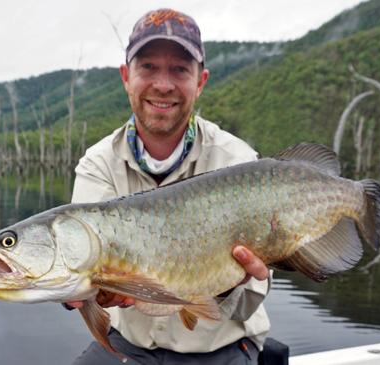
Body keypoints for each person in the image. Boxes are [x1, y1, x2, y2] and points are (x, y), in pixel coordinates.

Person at [67, 8, 271, 365]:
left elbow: (250, 298)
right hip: (128, 345)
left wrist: (230, 284)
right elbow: (81, 270)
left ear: (201, 81)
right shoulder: (97, 164)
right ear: (126, 76)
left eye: (179, 69)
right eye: (148, 67)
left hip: (219, 346)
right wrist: (79, 291)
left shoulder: (239, 163)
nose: (163, 84)